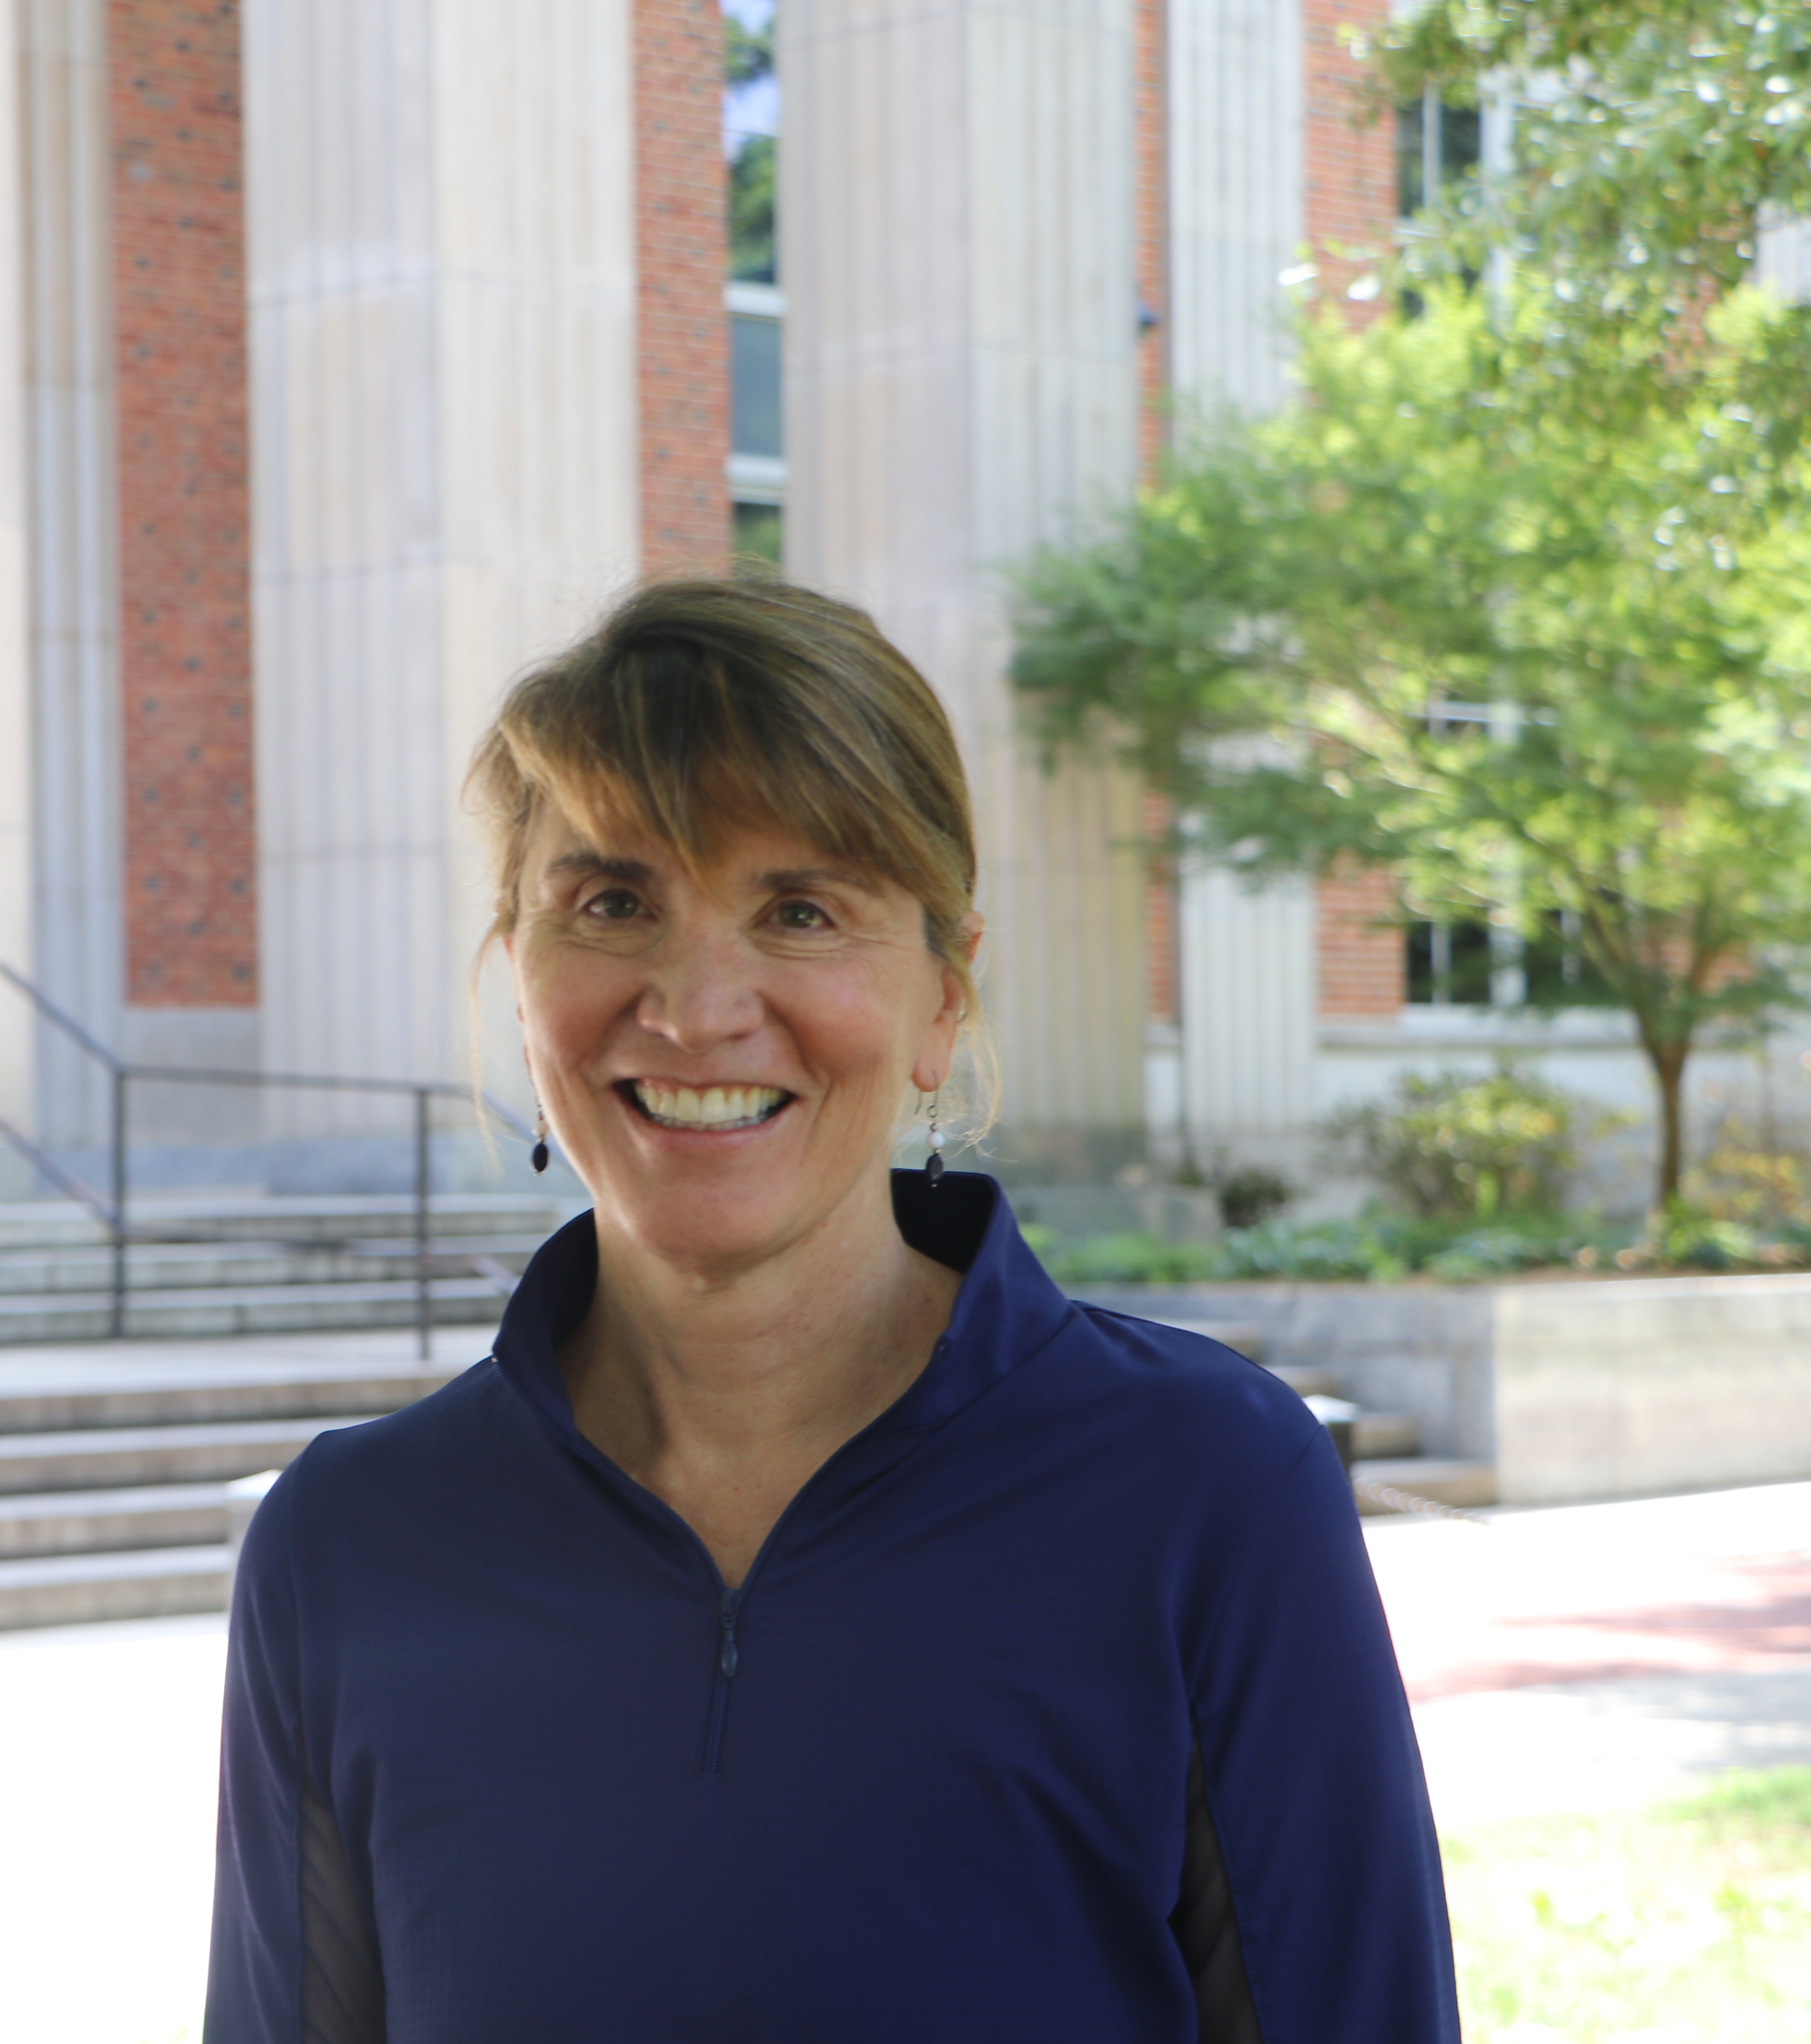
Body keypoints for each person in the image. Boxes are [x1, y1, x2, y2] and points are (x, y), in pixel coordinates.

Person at [203, 578, 1456, 2042]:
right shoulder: (347, 1548)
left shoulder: (1207, 1489)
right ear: (519, 965)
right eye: (613, 901)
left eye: (800, 911)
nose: (695, 1004)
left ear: (943, 997)